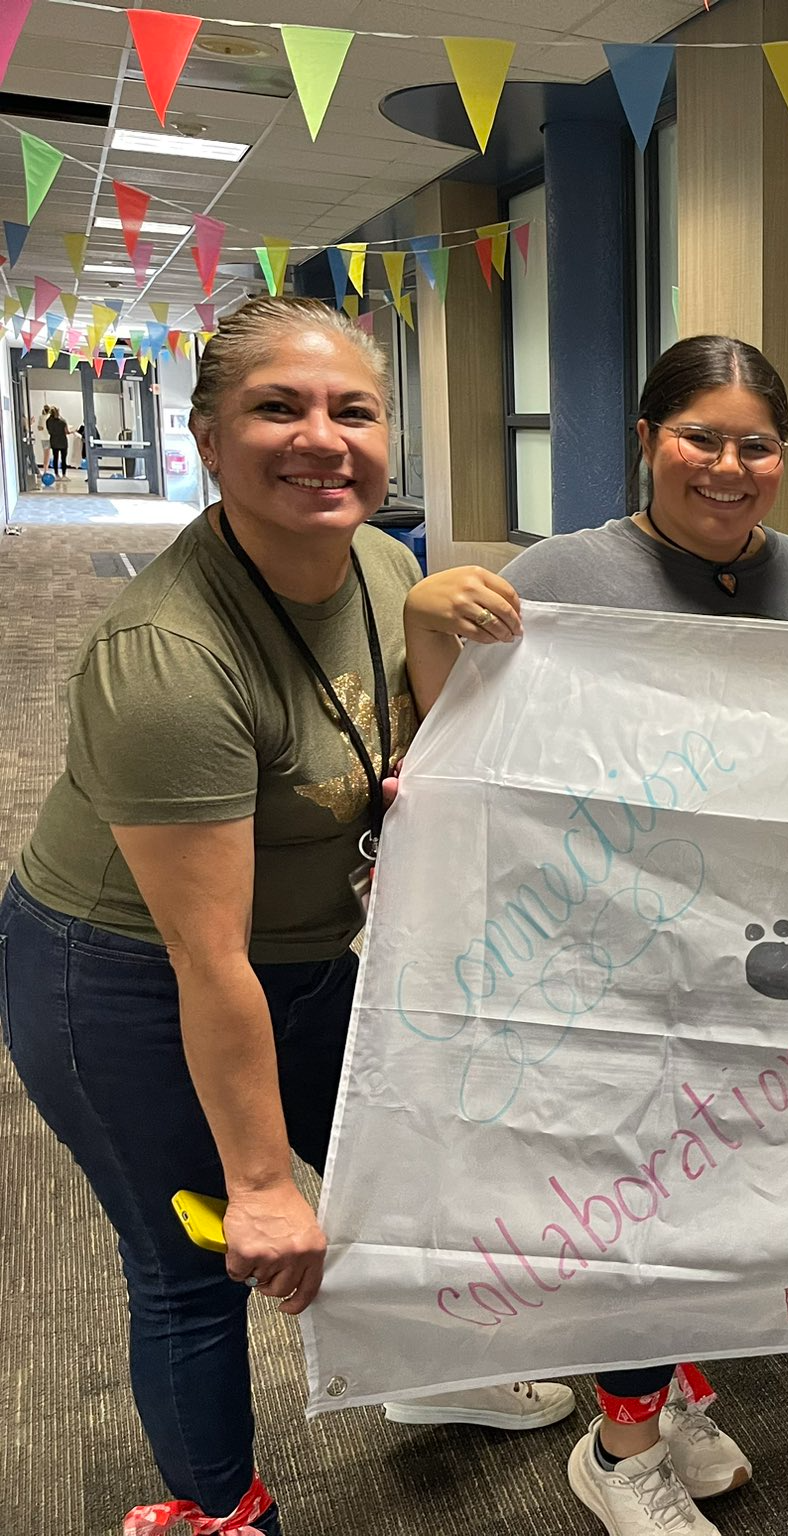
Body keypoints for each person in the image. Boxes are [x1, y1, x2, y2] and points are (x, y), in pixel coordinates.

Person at [0, 297, 571, 1536]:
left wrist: (425, 629)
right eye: (278, 407)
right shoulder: (167, 656)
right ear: (207, 438)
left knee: (409, 1172)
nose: (322, 438)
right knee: (206, 1262)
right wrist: (259, 1180)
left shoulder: (377, 558)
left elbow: (409, 757)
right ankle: (222, 1515)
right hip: (129, 982)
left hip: (308, 949)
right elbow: (210, 962)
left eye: (351, 410)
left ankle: (422, 1380)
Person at [407, 334, 788, 1536]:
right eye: (699, 437)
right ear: (647, 441)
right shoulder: (557, 574)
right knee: (624, 1199)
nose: (726, 464)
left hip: (754, 952)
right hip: (601, 953)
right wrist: (424, 615)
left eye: (753, 443)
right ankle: (620, 1449)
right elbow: (452, 747)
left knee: (722, 1196)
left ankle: (673, 1397)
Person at [46, 403, 69, 478]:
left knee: (55, 458)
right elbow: (66, 432)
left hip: (54, 442)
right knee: (63, 459)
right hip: (63, 442)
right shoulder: (62, 422)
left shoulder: (48, 421)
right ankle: (64, 474)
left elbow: (49, 431)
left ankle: (56, 474)